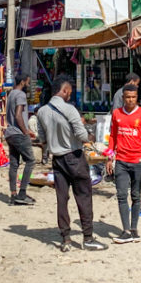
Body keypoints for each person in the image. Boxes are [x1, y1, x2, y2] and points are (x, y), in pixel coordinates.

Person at [36, 75, 106, 252]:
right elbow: (81, 135)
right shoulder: (70, 109)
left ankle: (65, 238)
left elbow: (42, 138)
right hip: (74, 157)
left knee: (62, 199)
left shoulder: (42, 112)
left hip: (57, 159)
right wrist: (90, 138)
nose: (70, 95)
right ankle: (88, 237)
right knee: (83, 197)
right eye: (70, 92)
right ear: (65, 90)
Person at [107, 83, 141, 244]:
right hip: (121, 160)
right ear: (123, 98)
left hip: (138, 161)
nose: (130, 100)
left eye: (133, 97)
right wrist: (109, 156)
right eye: (128, 97)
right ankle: (125, 230)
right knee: (121, 195)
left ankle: (134, 229)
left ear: (137, 98)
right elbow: (112, 136)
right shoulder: (116, 114)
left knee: (136, 196)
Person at [2, 73, 36, 206]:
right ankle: (22, 194)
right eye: (27, 82)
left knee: (14, 164)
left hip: (10, 133)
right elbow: (18, 115)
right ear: (22, 82)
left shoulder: (11, 94)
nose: (28, 85)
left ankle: (13, 195)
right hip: (18, 134)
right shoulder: (20, 95)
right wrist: (25, 131)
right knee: (31, 161)